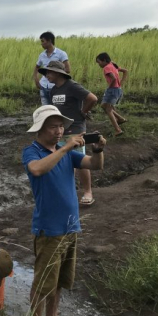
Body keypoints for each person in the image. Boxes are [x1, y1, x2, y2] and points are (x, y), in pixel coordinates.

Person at [22, 105, 106, 316]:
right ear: (40, 128)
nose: (59, 131)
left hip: (71, 226)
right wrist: (68, 147)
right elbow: (37, 169)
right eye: (53, 126)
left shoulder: (65, 151)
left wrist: (99, 150)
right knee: (42, 283)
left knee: (58, 279)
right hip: (49, 230)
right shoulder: (32, 151)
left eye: (61, 126)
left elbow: (94, 164)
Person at [41, 60, 99, 206]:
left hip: (76, 129)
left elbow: (92, 98)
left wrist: (83, 112)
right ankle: (68, 192)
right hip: (61, 131)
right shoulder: (53, 90)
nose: (47, 75)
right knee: (64, 162)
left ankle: (88, 192)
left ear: (57, 73)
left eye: (49, 72)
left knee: (80, 162)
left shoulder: (72, 86)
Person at [33, 32, 71, 106]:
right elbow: (37, 67)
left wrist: (56, 76)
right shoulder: (42, 55)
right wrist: (36, 80)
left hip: (55, 87)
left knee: (57, 109)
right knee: (46, 110)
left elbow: (68, 69)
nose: (41, 44)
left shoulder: (61, 54)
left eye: (43, 41)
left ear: (49, 41)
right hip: (43, 86)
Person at [96, 52, 128, 136]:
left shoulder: (106, 67)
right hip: (118, 89)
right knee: (103, 105)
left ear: (104, 60)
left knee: (108, 110)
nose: (99, 64)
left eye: (99, 62)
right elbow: (125, 71)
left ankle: (118, 130)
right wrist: (121, 83)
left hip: (112, 90)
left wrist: (109, 88)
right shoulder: (113, 65)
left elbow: (113, 78)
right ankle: (120, 118)